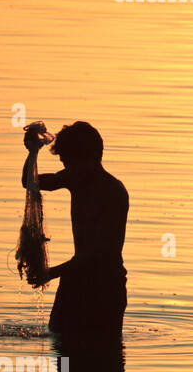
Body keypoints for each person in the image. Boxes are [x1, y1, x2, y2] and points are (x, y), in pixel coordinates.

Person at [22, 121, 128, 337]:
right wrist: (33, 152)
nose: (66, 168)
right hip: (74, 283)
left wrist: (50, 273)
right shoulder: (74, 179)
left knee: (101, 356)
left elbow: (98, 254)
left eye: (70, 162)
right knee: (65, 360)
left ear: (88, 158)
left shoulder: (113, 192)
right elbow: (29, 182)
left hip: (105, 287)